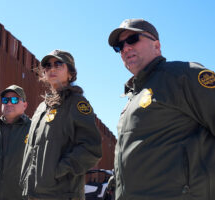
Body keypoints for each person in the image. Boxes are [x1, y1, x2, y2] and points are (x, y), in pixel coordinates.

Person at [108, 18, 215, 199]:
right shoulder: (133, 97)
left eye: (133, 39)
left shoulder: (184, 75)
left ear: (156, 46)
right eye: (119, 46)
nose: (125, 48)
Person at [20, 49, 102, 200]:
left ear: (70, 73)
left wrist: (56, 171)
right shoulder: (41, 108)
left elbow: (91, 148)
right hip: (33, 193)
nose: (52, 69)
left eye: (58, 64)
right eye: (47, 65)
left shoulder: (76, 103)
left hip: (61, 194)